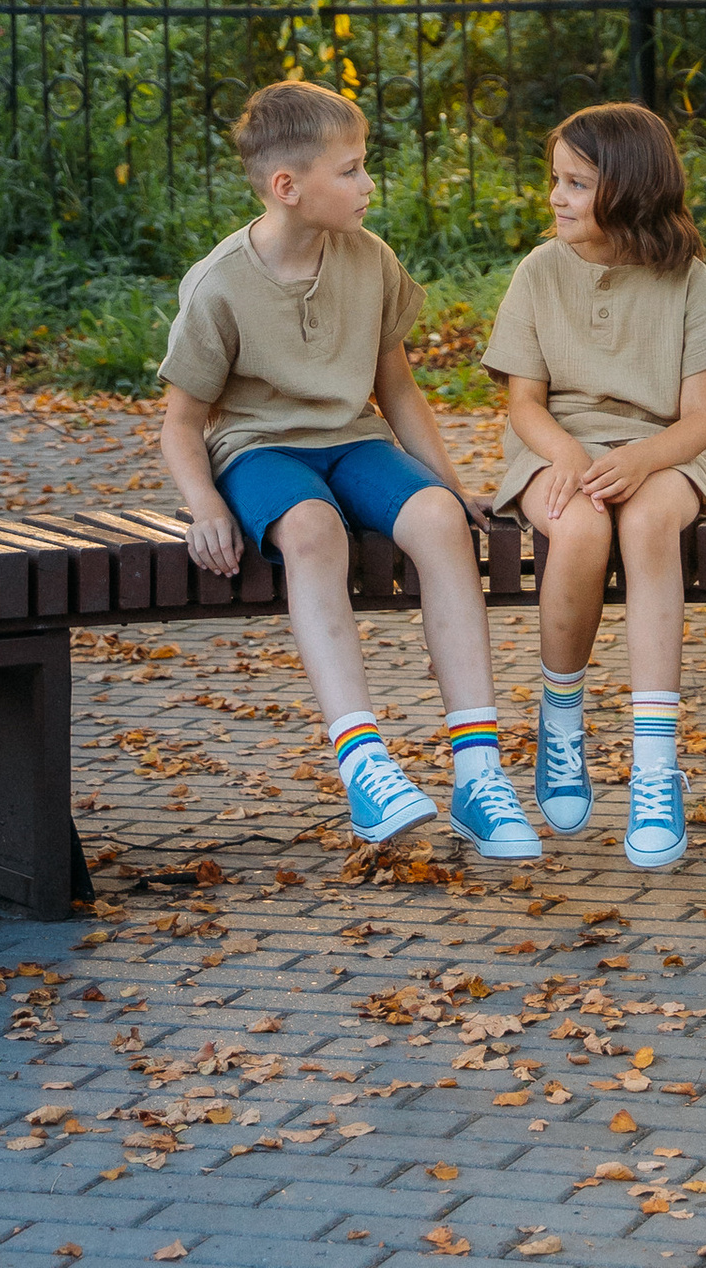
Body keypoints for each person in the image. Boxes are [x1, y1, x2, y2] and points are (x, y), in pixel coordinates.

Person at [158, 78, 542, 860]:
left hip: (355, 440)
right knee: (311, 528)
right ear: (288, 188)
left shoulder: (370, 261)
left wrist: (450, 484)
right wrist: (204, 505)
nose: (369, 186)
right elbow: (181, 424)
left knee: (435, 519)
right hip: (261, 451)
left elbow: (396, 388)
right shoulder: (220, 284)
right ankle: (364, 764)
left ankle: (477, 772)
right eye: (352, 170)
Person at [484, 100, 706, 870]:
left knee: (646, 523)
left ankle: (657, 767)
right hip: (555, 449)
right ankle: (561, 718)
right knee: (585, 525)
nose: (556, 197)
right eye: (555, 179)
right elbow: (523, 401)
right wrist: (565, 453)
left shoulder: (689, 282)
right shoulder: (538, 272)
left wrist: (643, 460)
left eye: (574, 183)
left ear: (627, 189)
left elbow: (701, 420)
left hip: (661, 453)